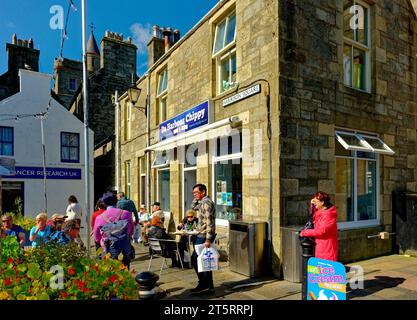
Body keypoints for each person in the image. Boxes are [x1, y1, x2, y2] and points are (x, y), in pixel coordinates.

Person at [93, 192, 134, 268]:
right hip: (123, 250)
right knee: (124, 276)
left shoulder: (99, 217)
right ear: (116, 202)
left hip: (107, 251)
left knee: (109, 276)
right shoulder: (126, 213)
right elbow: (131, 231)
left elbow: (96, 238)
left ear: (104, 203)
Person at [190, 183, 216, 294]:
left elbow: (209, 222)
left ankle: (203, 283)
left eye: (196, 192)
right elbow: (193, 207)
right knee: (206, 260)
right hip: (202, 234)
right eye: (193, 193)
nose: (194, 194)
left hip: (205, 235)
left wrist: (208, 239)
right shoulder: (202, 202)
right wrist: (195, 198)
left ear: (203, 192)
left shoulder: (206, 203)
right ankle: (209, 286)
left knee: (195, 259)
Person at [300, 191, 338, 262]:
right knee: (320, 269)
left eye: (316, 201)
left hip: (327, 248)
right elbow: (314, 214)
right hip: (320, 246)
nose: (314, 203)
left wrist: (304, 232)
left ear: (322, 202)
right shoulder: (322, 210)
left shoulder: (329, 214)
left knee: (326, 270)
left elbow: (321, 231)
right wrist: (312, 204)